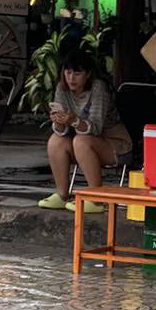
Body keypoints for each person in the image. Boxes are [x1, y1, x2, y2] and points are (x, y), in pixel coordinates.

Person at [40, 51, 132, 209]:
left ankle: (96, 199)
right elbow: (61, 132)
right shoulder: (62, 89)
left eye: (77, 73)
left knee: (81, 141)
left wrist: (73, 120)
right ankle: (62, 195)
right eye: (68, 72)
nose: (71, 78)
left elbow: (95, 128)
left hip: (114, 144)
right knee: (55, 141)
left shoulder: (98, 89)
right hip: (82, 144)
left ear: (88, 74)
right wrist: (59, 122)